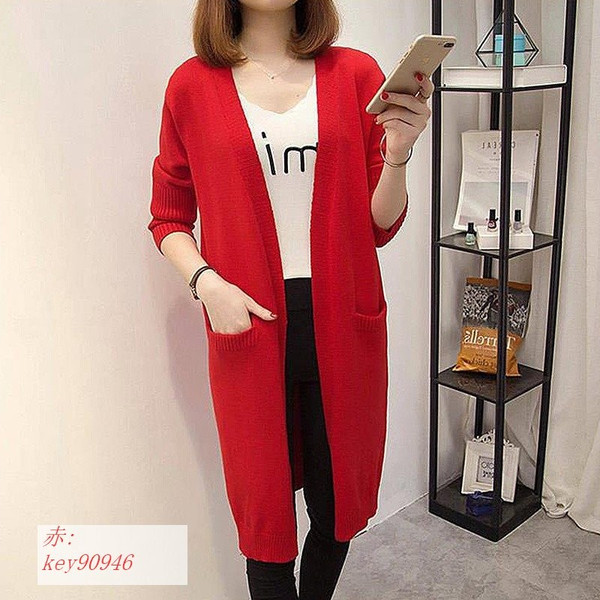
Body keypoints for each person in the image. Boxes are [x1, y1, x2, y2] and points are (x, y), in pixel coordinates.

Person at [147, 1, 433, 598]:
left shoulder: (355, 74)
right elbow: (169, 217)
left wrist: (399, 151)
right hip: (247, 327)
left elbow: (379, 224)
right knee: (265, 527)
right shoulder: (191, 87)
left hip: (345, 324)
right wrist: (208, 285)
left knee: (338, 509)